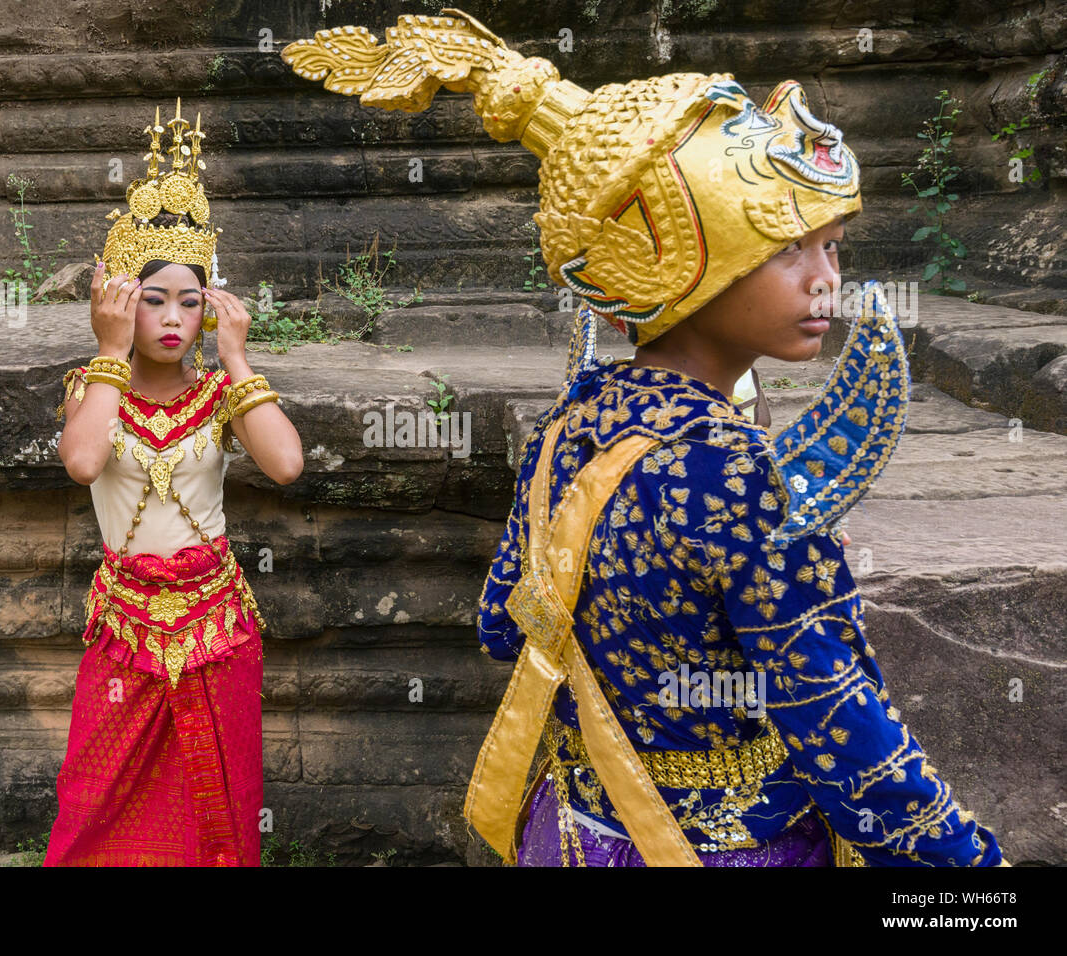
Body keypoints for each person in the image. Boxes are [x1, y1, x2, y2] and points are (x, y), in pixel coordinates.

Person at [283, 9, 1006, 866]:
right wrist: (973, 878)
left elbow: (505, 626)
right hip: (726, 848)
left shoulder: (572, 423)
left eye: (834, 247)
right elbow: (842, 726)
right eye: (788, 249)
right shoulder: (737, 472)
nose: (827, 282)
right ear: (681, 266)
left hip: (577, 831)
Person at [44, 101, 303, 866]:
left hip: (217, 626)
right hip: (126, 626)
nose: (172, 317)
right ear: (122, 301)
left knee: (216, 801)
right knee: (98, 801)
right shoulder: (95, 388)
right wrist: (108, 350)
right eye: (152, 298)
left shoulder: (222, 395)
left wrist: (239, 358)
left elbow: (286, 466)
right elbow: (84, 463)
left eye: (189, 301)